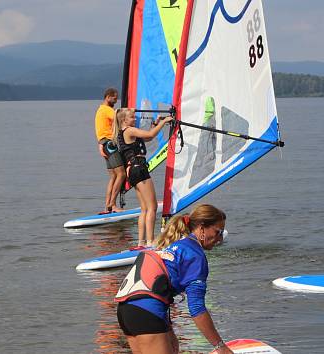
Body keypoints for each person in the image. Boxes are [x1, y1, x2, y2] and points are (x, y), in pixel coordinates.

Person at [114, 204, 233, 354]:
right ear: (202, 228)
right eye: (218, 232)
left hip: (126, 310)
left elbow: (157, 288)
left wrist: (168, 329)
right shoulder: (195, 256)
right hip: (146, 311)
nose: (220, 239)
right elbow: (197, 309)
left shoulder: (176, 246)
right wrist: (220, 346)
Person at [113, 108, 173, 248]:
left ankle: (141, 242)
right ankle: (151, 241)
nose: (135, 119)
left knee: (144, 209)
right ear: (124, 120)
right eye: (132, 117)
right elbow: (151, 134)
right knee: (152, 207)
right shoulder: (129, 130)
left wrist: (156, 123)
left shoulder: (126, 133)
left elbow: (147, 137)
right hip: (139, 169)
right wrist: (164, 122)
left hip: (132, 171)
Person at [95, 87, 126, 214]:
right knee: (121, 174)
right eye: (114, 97)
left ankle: (107, 206)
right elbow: (120, 118)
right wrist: (130, 112)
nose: (116, 100)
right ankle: (113, 205)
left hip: (104, 144)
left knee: (113, 176)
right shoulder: (107, 110)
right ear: (108, 97)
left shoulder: (100, 110)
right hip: (109, 144)